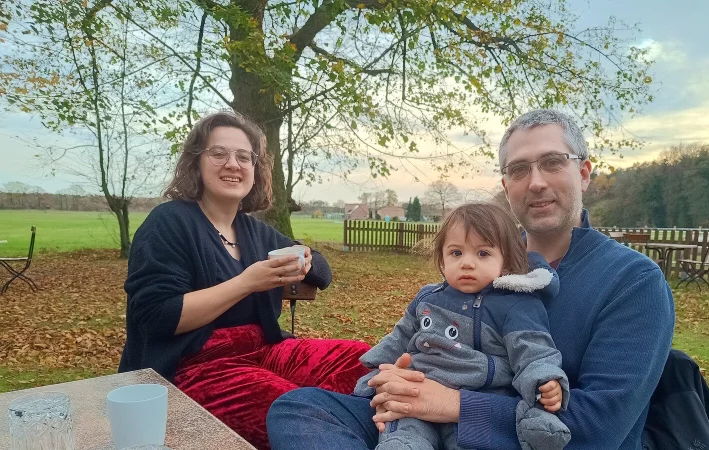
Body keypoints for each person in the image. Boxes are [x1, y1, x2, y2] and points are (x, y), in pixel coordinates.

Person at [267, 109, 674, 450]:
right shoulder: (481, 258)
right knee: (300, 409)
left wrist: (452, 405)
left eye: (553, 162)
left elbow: (599, 429)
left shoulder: (633, 281)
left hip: (523, 439)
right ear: (505, 186)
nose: (535, 181)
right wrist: (396, 382)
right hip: (423, 424)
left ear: (584, 172)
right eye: (519, 170)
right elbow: (419, 334)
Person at [118, 111, 370, 449]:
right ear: (196, 162)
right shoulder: (169, 223)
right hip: (194, 366)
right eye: (219, 153)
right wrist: (247, 281)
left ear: (255, 168)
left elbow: (322, 271)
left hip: (264, 350)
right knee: (299, 411)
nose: (232, 164)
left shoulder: (252, 230)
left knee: (368, 363)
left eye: (243, 156)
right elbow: (158, 316)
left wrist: (306, 262)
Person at [354, 203, 570, 450]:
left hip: (478, 397)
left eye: (483, 254)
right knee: (403, 437)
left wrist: (544, 380)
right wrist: (375, 366)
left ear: (506, 262)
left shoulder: (516, 305)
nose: (467, 263)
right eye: (456, 253)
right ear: (443, 260)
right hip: (417, 389)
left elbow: (533, 350)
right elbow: (401, 334)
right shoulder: (428, 298)